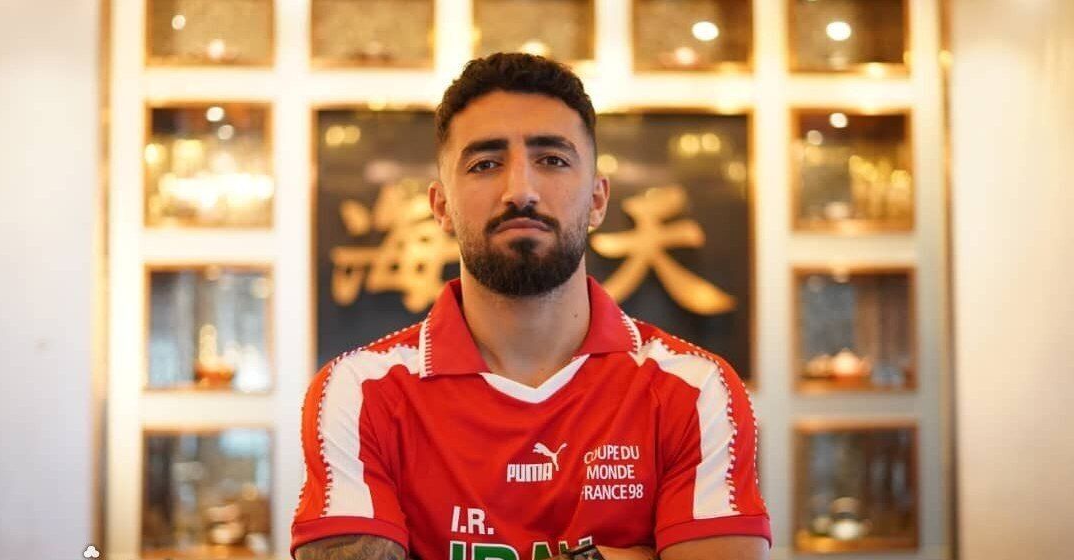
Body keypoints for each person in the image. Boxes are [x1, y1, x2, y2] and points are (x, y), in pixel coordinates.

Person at [291, 52, 770, 560]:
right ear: (441, 206)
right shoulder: (361, 391)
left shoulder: (692, 387)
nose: (520, 191)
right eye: (485, 164)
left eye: (552, 160)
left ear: (597, 200)